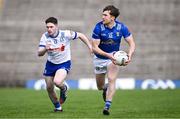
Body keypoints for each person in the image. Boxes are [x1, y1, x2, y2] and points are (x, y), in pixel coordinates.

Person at [38, 17, 92, 112]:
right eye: (47, 27)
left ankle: (64, 88)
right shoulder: (45, 36)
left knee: (57, 82)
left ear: (56, 26)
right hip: (50, 64)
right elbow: (39, 53)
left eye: (51, 27)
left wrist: (90, 46)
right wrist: (45, 48)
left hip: (64, 63)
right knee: (49, 88)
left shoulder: (65, 34)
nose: (49, 29)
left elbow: (81, 35)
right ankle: (58, 107)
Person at [91, 5, 135, 115]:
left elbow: (131, 43)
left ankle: (107, 106)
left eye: (105, 15)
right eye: (102, 14)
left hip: (114, 58)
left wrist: (129, 55)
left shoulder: (122, 28)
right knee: (100, 86)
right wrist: (108, 55)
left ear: (112, 18)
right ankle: (104, 88)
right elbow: (94, 47)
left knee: (111, 79)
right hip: (100, 58)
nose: (102, 17)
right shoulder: (98, 27)